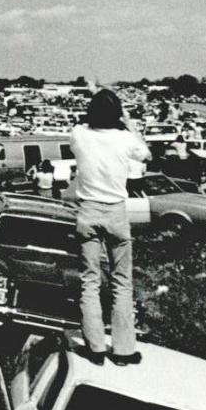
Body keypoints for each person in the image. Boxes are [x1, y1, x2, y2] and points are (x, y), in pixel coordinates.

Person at [69, 89, 150, 366]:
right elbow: (145, 155)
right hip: (116, 210)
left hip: (88, 211)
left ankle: (95, 347)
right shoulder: (125, 138)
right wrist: (128, 122)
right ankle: (124, 348)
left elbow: (80, 129)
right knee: (122, 282)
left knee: (89, 281)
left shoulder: (79, 134)